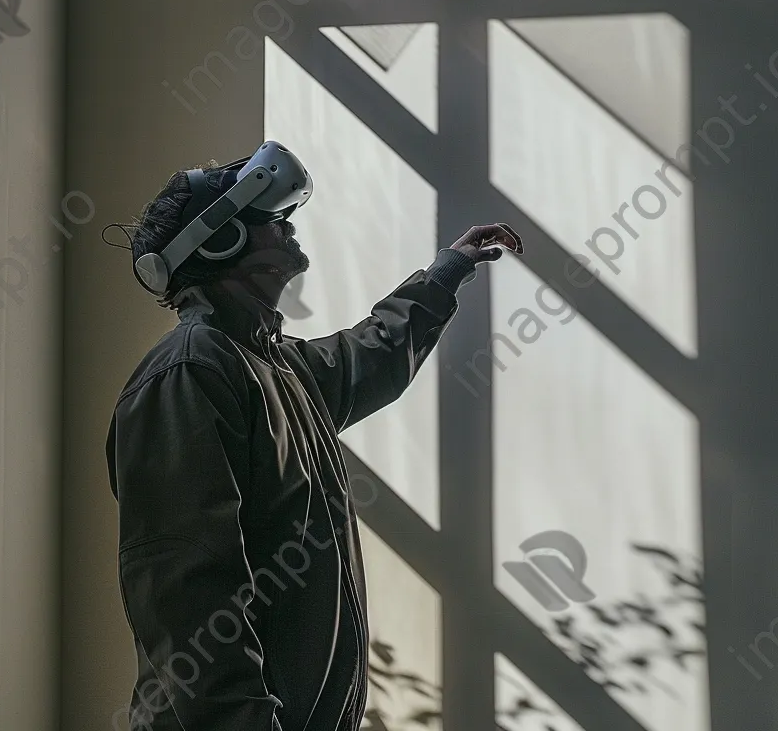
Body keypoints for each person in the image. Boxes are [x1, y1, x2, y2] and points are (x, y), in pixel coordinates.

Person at [106, 144, 523, 731]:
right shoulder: (192, 372)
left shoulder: (275, 367)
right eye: (272, 219)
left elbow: (369, 356)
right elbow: (185, 584)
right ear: (221, 241)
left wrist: (446, 272)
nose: (289, 226)